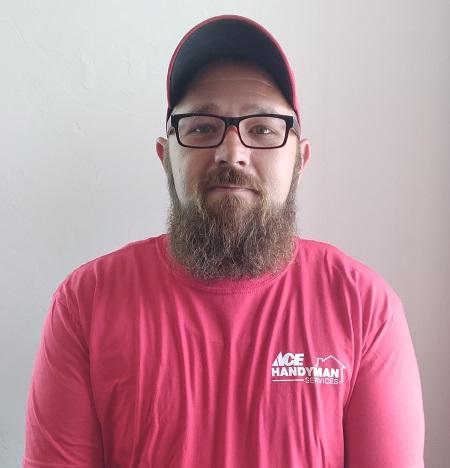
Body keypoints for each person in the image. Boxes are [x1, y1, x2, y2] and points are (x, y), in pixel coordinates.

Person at [22, 14, 425, 468]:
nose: (231, 152)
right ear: (165, 157)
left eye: (263, 129)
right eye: (201, 127)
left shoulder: (364, 307)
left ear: (300, 160)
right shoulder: (85, 303)